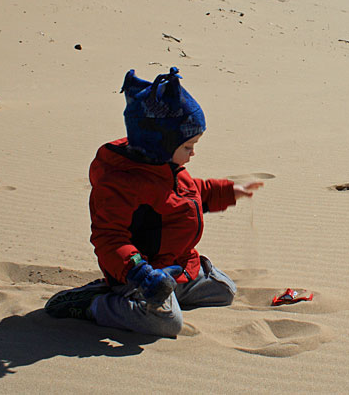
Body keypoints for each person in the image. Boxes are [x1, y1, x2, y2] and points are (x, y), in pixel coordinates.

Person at [45, 67, 262, 337]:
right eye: (187, 146)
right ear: (160, 144)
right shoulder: (122, 183)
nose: (193, 153)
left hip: (177, 265)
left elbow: (192, 192)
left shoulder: (167, 167)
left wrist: (229, 192)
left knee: (224, 290)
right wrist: (140, 274)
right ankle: (95, 304)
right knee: (166, 323)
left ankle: (165, 294)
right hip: (140, 274)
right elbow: (109, 239)